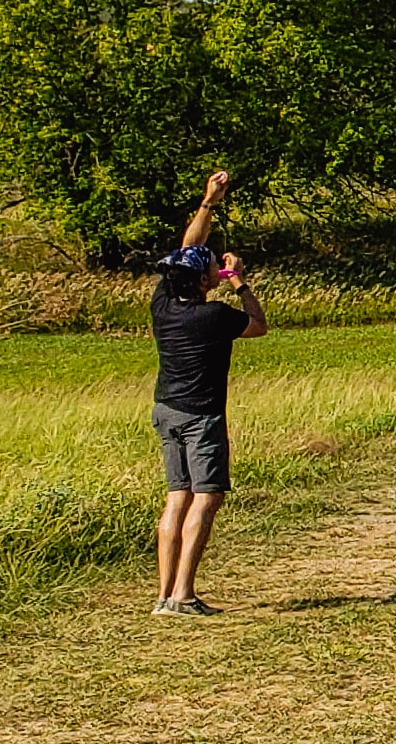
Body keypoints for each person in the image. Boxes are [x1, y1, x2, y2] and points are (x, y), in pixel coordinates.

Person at [149, 168, 267, 615]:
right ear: (203, 283)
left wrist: (209, 202)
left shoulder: (163, 304)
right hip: (201, 416)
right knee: (207, 496)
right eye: (211, 273)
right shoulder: (213, 317)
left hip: (166, 409)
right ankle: (184, 594)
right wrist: (238, 279)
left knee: (176, 497)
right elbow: (258, 326)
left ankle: (164, 595)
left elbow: (187, 250)